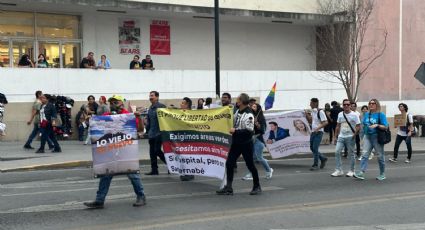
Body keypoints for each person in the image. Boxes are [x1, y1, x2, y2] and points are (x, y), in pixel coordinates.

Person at [83, 95, 146, 209]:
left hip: (126, 150)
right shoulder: (108, 115)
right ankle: (99, 200)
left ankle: (141, 196)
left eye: (115, 102)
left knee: (132, 174)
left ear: (121, 103)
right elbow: (98, 123)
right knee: (106, 175)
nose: (113, 104)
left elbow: (141, 130)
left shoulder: (129, 115)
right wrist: (90, 120)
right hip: (111, 150)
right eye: (111, 102)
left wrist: (139, 117)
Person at [216, 93, 261, 195]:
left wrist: (235, 131)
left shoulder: (249, 114)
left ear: (241, 101)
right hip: (236, 143)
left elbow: (249, 131)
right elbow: (231, 119)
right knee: (229, 163)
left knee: (250, 165)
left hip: (246, 144)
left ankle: (257, 186)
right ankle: (229, 187)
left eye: (238, 100)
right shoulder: (238, 111)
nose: (236, 101)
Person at [354, 99, 388, 181]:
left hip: (377, 137)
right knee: (365, 155)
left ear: (377, 105)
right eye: (370, 103)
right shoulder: (366, 114)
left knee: (380, 156)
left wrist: (377, 125)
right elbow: (364, 126)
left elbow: (385, 127)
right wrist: (363, 137)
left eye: (373, 103)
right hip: (368, 137)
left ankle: (382, 173)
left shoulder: (381, 115)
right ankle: (361, 172)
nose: (371, 105)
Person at [242, 102, 273, 181]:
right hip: (250, 140)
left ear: (258, 109)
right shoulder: (249, 117)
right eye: (252, 106)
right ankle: (250, 173)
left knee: (259, 157)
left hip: (258, 140)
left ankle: (269, 170)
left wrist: (257, 123)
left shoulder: (261, 118)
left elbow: (262, 130)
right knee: (251, 158)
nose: (252, 107)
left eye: (255, 106)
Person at [331, 99, 361, 177]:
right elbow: (337, 126)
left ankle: (352, 170)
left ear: (350, 105)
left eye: (348, 104)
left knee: (351, 154)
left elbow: (358, 126)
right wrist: (335, 137)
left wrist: (354, 134)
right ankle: (339, 170)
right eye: (345, 105)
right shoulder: (340, 114)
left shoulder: (354, 115)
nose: (346, 106)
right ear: (342, 106)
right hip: (341, 136)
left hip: (350, 137)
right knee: (337, 152)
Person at [145, 91, 167, 175]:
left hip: (159, 133)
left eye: (152, 96)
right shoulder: (150, 108)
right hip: (151, 134)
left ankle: (170, 164)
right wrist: (146, 131)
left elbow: (166, 120)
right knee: (152, 153)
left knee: (157, 150)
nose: (150, 97)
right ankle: (154, 170)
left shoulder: (161, 107)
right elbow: (149, 122)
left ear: (157, 97)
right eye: (150, 96)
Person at [306, 98, 328, 171]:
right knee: (312, 148)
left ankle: (315, 165)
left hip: (319, 132)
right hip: (313, 132)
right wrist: (306, 114)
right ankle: (323, 158)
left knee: (315, 148)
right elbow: (311, 121)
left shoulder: (320, 112)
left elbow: (325, 122)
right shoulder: (313, 112)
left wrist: (317, 128)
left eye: (311, 103)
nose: (310, 104)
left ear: (315, 103)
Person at [179, 97, 196, 181]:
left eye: (182, 103)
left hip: (190, 138)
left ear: (187, 105)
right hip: (182, 138)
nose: (180, 104)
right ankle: (186, 172)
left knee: (189, 156)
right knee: (183, 156)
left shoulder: (191, 114)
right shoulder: (180, 113)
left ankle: (190, 173)